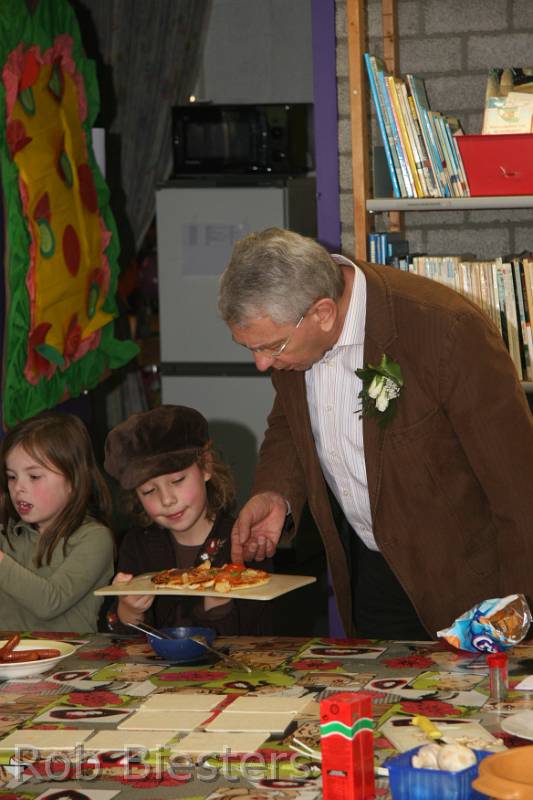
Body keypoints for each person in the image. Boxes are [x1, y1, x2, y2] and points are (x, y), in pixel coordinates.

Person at [218, 227, 533, 640]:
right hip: (370, 574)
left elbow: (519, 491)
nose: (262, 365)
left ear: (323, 313)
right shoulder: (295, 339)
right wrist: (276, 492)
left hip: (469, 585)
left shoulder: (446, 331)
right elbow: (290, 422)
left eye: (270, 347)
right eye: (251, 349)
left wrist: (517, 619)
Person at [103, 404, 272, 635]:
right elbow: (124, 640)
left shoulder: (245, 543)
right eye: (149, 491)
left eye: (177, 480)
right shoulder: (137, 545)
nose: (167, 499)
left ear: (206, 466)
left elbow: (259, 636)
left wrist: (217, 607)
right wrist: (128, 612)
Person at [0, 412, 115, 632]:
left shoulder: (94, 538)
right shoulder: (7, 535)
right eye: (12, 477)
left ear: (73, 480)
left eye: (34, 476)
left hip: (74, 654)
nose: (18, 488)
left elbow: (50, 602)